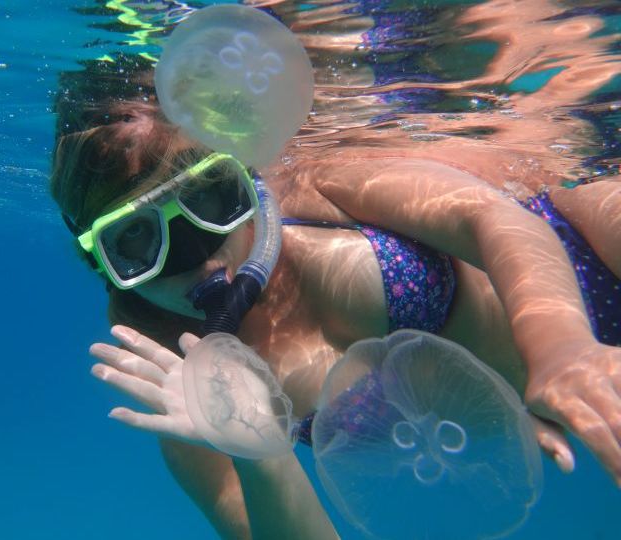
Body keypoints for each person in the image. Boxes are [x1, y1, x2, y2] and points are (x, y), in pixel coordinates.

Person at [50, 3, 621, 538]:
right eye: (137, 240)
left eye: (211, 200)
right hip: (576, 403)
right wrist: (263, 451)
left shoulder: (311, 189)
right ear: (102, 263)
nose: (199, 253)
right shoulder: (172, 375)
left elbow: (493, 218)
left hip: (589, 249)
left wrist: (562, 347)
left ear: (245, 175)